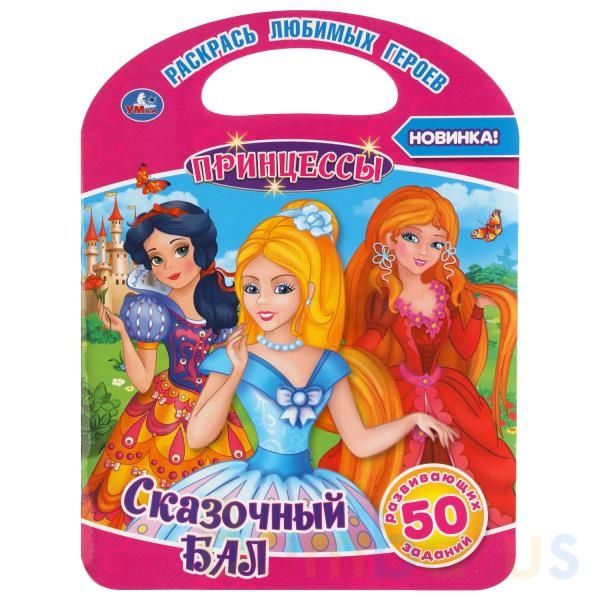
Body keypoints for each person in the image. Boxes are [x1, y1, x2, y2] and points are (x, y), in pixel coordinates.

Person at [126, 200, 455, 552]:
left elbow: (359, 443)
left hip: (310, 497)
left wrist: (413, 420)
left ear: (308, 291)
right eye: (252, 288)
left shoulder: (329, 364)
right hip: (248, 493)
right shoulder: (232, 356)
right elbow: (197, 436)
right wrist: (236, 372)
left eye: (282, 288)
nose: (263, 301)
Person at [318, 186, 517, 528]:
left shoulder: (445, 293)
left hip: (450, 395)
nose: (424, 252)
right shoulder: (381, 296)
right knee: (384, 469)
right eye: (412, 237)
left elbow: (465, 348)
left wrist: (476, 311)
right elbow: (359, 359)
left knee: (466, 463)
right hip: (399, 396)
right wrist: (379, 324)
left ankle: (449, 522)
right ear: (389, 238)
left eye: (437, 244)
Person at [82, 201, 253, 529]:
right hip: (163, 409)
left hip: (212, 403)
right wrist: (123, 333)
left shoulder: (222, 301)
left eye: (180, 250)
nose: (169, 266)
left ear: (200, 247)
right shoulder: (152, 310)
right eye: (156, 259)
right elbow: (143, 382)